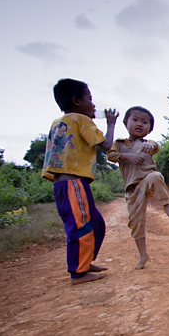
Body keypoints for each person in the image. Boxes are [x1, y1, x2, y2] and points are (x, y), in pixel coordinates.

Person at [42, 78, 117, 285]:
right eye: (90, 99)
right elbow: (107, 145)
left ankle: (85, 262)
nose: (93, 105)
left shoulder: (58, 123)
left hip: (64, 184)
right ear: (76, 101)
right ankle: (78, 273)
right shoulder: (81, 120)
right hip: (73, 183)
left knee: (96, 223)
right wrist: (110, 124)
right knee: (81, 226)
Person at [107, 106, 169, 270]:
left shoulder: (148, 144)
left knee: (155, 176)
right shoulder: (119, 144)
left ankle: (167, 207)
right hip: (132, 189)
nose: (139, 124)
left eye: (144, 122)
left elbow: (156, 146)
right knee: (136, 223)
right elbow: (110, 156)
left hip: (148, 181)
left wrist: (152, 144)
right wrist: (127, 156)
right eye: (135, 120)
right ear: (126, 123)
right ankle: (143, 255)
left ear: (149, 129)